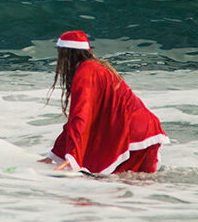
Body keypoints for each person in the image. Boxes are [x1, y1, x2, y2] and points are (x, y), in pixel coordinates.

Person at [38, 31, 170, 175]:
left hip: (132, 135)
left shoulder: (86, 73)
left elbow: (80, 116)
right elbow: (75, 120)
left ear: (66, 54)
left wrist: (73, 157)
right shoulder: (95, 68)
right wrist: (55, 155)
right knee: (139, 186)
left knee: (117, 186)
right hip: (145, 130)